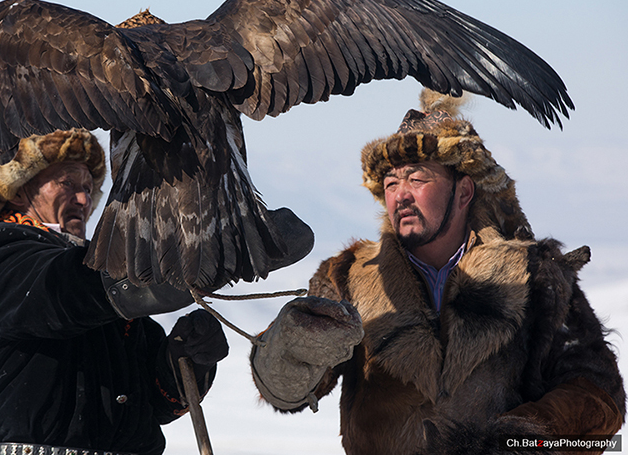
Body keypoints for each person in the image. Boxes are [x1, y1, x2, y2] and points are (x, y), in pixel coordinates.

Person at [250, 89, 625, 454]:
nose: (401, 195)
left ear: (464, 192)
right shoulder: (346, 276)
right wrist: (286, 350)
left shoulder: (533, 275)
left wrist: (517, 442)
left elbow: (598, 393)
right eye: (391, 183)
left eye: (417, 179)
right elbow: (288, 390)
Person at [0, 128, 229, 455]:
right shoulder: (1, 250)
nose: (83, 199)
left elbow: (156, 403)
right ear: (19, 192)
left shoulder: (94, 271)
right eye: (67, 184)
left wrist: (188, 357)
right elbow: (62, 292)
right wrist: (165, 265)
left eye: (88, 188)